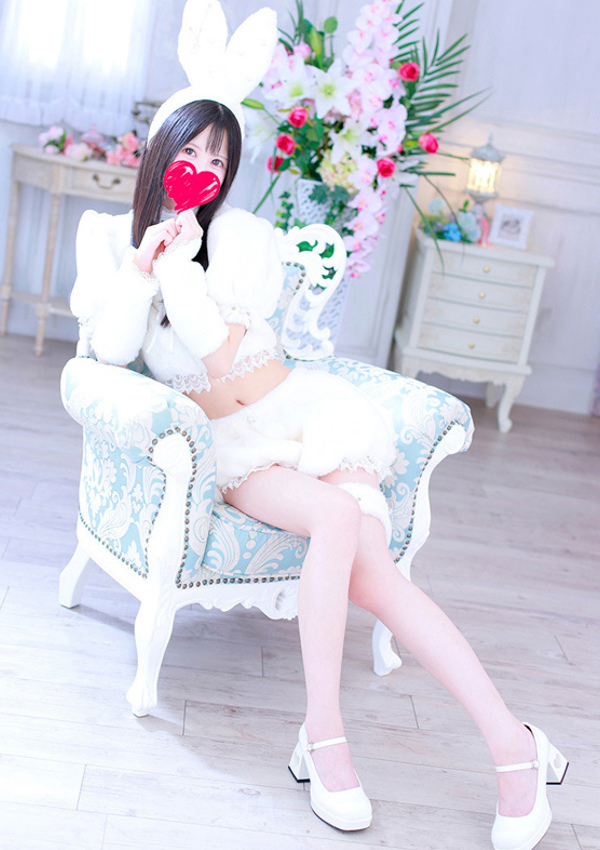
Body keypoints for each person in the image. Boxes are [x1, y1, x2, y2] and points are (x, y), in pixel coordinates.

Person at [69, 3, 567, 847]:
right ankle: (352, 738)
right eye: (190, 152)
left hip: (305, 412)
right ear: (159, 152)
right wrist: (144, 268)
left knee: (378, 579)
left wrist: (184, 265)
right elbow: (113, 349)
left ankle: (503, 746)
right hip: (238, 448)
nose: (202, 169)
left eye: (218, 159)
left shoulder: (243, 239)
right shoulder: (113, 242)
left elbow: (221, 353)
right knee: (341, 525)